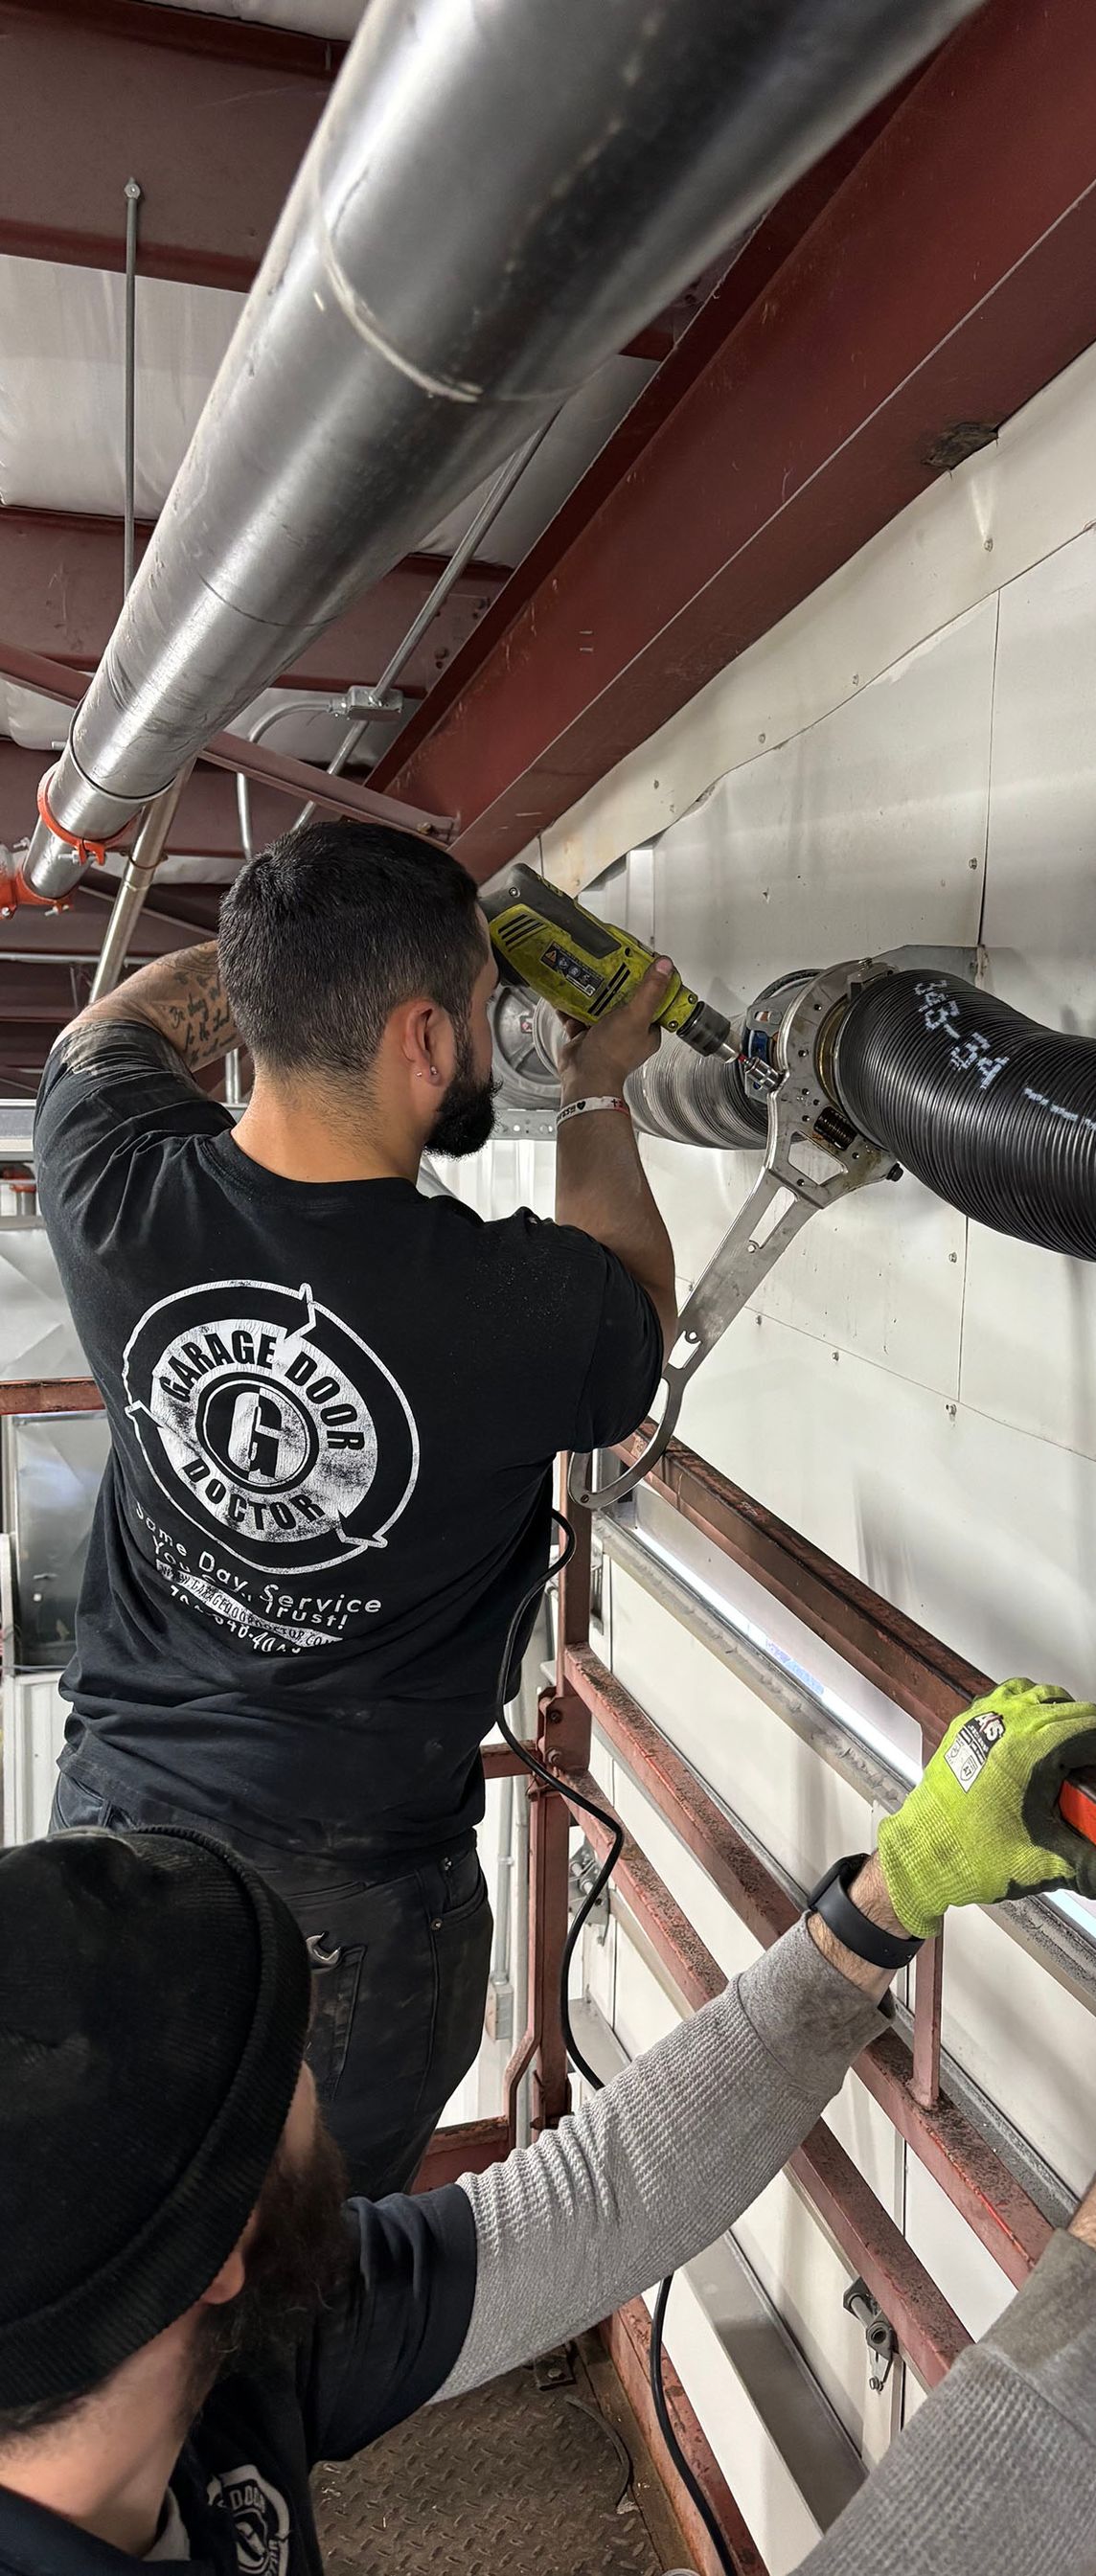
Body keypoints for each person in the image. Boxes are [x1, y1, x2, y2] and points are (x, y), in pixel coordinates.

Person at [0, 1679, 1096, 2576]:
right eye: (284, 2070)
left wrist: (882, 1902)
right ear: (212, 2256)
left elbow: (588, 2203)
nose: (322, 2056)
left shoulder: (151, 2340)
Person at [34, 820, 679, 2198]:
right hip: (357, 1920)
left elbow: (107, 1028)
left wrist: (298, 954)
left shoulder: (110, 1184)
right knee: (299, 2298)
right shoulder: (516, 1313)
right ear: (428, 1043)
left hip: (113, 1835)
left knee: (123, 2246)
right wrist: (598, 1087)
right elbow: (634, 1300)